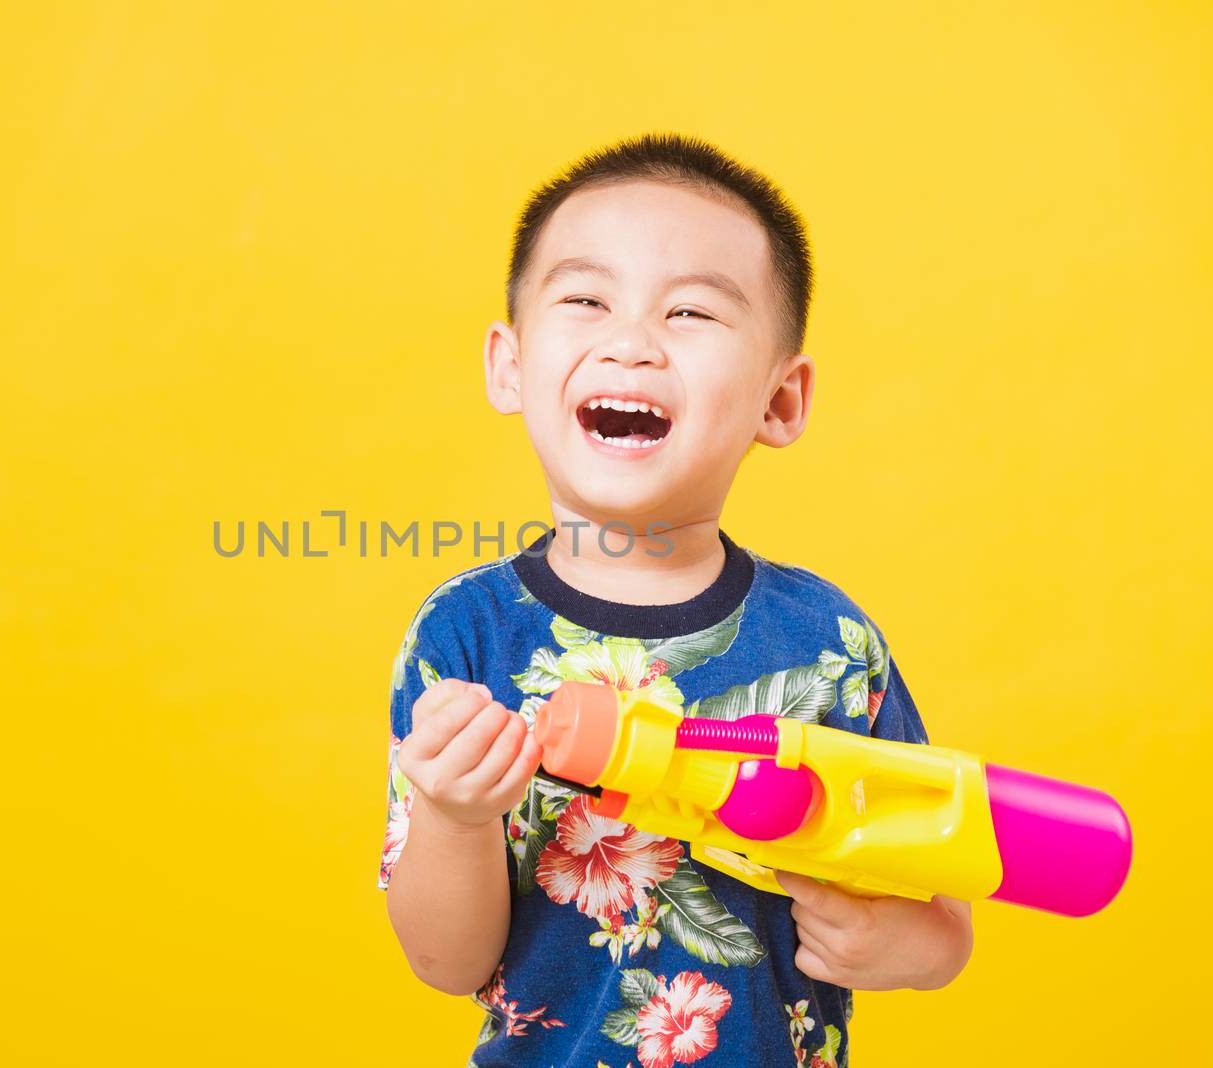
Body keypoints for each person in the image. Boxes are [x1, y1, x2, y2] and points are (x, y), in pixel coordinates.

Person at [377, 132, 973, 1068]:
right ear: (509, 365)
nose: (632, 341)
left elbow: (944, 907)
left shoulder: (830, 643)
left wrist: (905, 946)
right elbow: (447, 962)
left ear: (781, 400)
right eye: (585, 299)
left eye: (691, 312)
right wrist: (454, 817)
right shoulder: (466, 634)